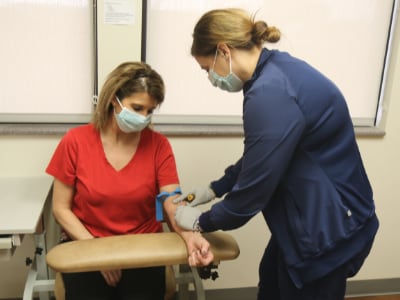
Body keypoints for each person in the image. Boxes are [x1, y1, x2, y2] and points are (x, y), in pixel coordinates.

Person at [173, 8, 379, 300]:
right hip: (314, 217)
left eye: (207, 69)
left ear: (223, 50)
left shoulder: (270, 93)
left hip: (327, 231)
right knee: (270, 281)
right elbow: (263, 156)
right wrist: (214, 188)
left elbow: (251, 195)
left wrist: (200, 221)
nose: (211, 78)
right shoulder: (275, 72)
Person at [46, 62, 213, 300]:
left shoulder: (159, 146)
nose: (144, 117)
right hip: (86, 242)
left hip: (142, 248)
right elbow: (60, 209)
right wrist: (99, 254)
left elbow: (171, 201)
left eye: (150, 111)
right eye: (137, 108)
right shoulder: (75, 141)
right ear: (114, 100)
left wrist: (189, 235)